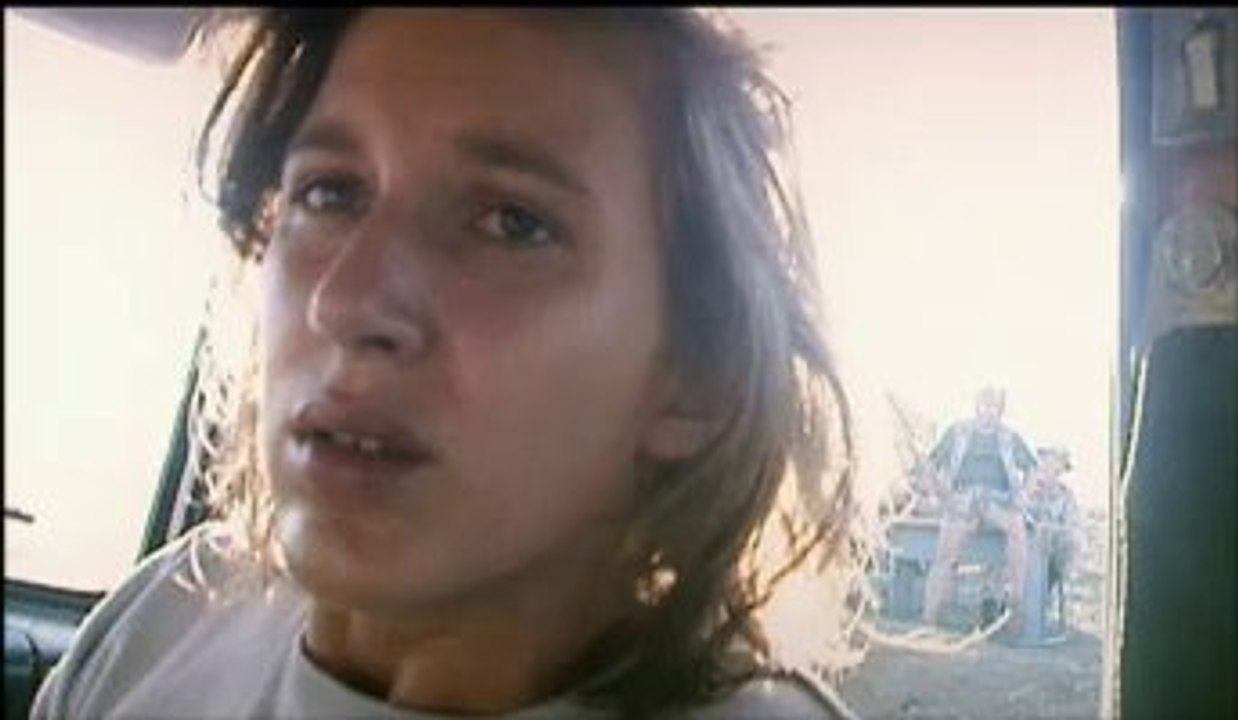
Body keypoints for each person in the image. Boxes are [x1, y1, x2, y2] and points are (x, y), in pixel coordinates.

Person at [33, 9, 864, 719]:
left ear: (698, 378)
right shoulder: (166, 622)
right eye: (329, 192)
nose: (346, 302)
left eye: (511, 222)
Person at [920, 386, 1037, 630]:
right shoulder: (958, 431)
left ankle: (1015, 603)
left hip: (998, 501)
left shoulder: (1009, 437)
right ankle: (931, 616)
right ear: (976, 406)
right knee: (945, 554)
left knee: (1018, 530)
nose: (988, 411)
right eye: (984, 405)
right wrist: (941, 495)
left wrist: (1023, 495)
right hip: (963, 499)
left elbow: (1032, 468)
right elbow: (931, 463)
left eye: (994, 406)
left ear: (1000, 410)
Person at [1025, 446, 1082, 632]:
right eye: (1047, 463)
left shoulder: (1066, 496)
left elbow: (1072, 526)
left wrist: (1054, 531)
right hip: (1022, 550)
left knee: (1056, 557)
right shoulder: (1028, 488)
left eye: (1057, 466)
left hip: (1052, 552)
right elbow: (1019, 512)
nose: (1051, 470)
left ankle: (1039, 613)